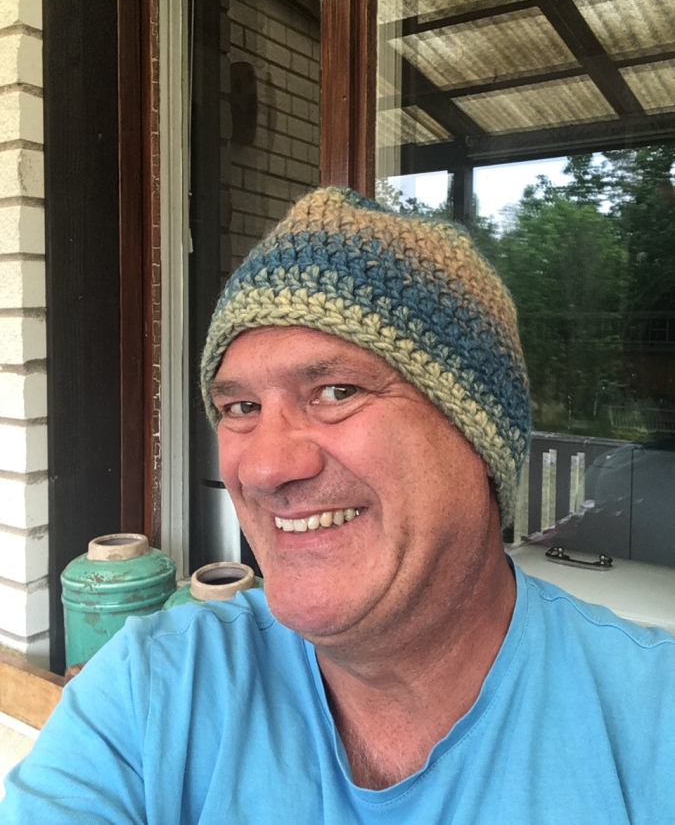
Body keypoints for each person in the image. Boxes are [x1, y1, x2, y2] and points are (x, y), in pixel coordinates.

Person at [1, 186, 675, 823]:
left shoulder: (650, 722)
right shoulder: (154, 691)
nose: (263, 468)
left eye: (336, 392)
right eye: (241, 407)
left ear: (480, 436)